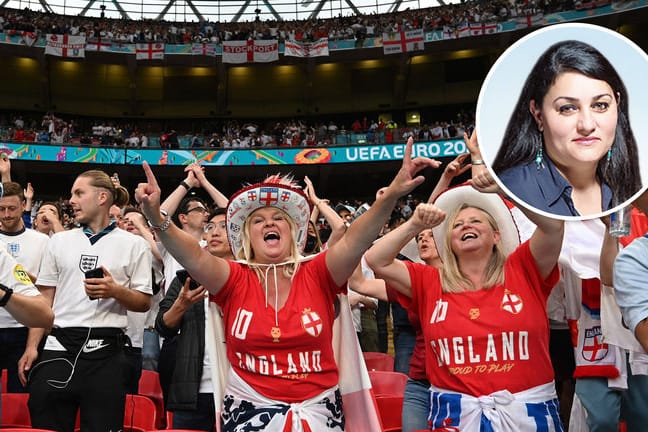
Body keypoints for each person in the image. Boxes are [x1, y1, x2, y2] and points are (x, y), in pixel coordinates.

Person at [135, 138, 439, 431]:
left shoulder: (319, 271)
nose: (269, 223)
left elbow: (357, 237)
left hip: (321, 415)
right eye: (258, 220)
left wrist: (393, 193)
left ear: (293, 231)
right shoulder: (232, 277)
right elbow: (189, 253)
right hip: (247, 414)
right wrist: (153, 214)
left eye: (278, 218)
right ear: (247, 237)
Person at [365, 180, 565, 429]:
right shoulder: (429, 281)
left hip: (528, 418)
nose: (466, 225)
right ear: (448, 242)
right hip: (455, 419)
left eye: (476, 221)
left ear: (496, 236)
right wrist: (415, 224)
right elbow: (376, 259)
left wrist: (506, 190)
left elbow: (554, 227)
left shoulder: (524, 269)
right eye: (456, 225)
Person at [18, 170, 153, 432]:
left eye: (79, 193)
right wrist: (33, 346)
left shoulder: (135, 245)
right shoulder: (58, 241)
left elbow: (144, 302)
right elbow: (45, 299)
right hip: (58, 346)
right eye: (72, 194)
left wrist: (115, 291)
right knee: (46, 425)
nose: (71, 200)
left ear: (102, 197)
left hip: (108, 353)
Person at [492, 40, 641, 217]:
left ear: (617, 104)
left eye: (600, 105)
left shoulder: (634, 186)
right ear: (538, 115)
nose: (587, 125)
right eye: (568, 108)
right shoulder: (510, 193)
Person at [156, 208, 233, 431]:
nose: (215, 232)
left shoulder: (253, 276)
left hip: (241, 391)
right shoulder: (185, 280)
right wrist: (181, 305)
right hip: (194, 392)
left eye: (224, 227)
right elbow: (163, 327)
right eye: (210, 227)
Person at [0, 181, 50, 394]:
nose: (7, 214)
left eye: (12, 208)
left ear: (23, 205)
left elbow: (43, 298)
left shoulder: (42, 242)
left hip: (23, 330)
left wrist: (32, 346)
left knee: (19, 398)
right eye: (1, 209)